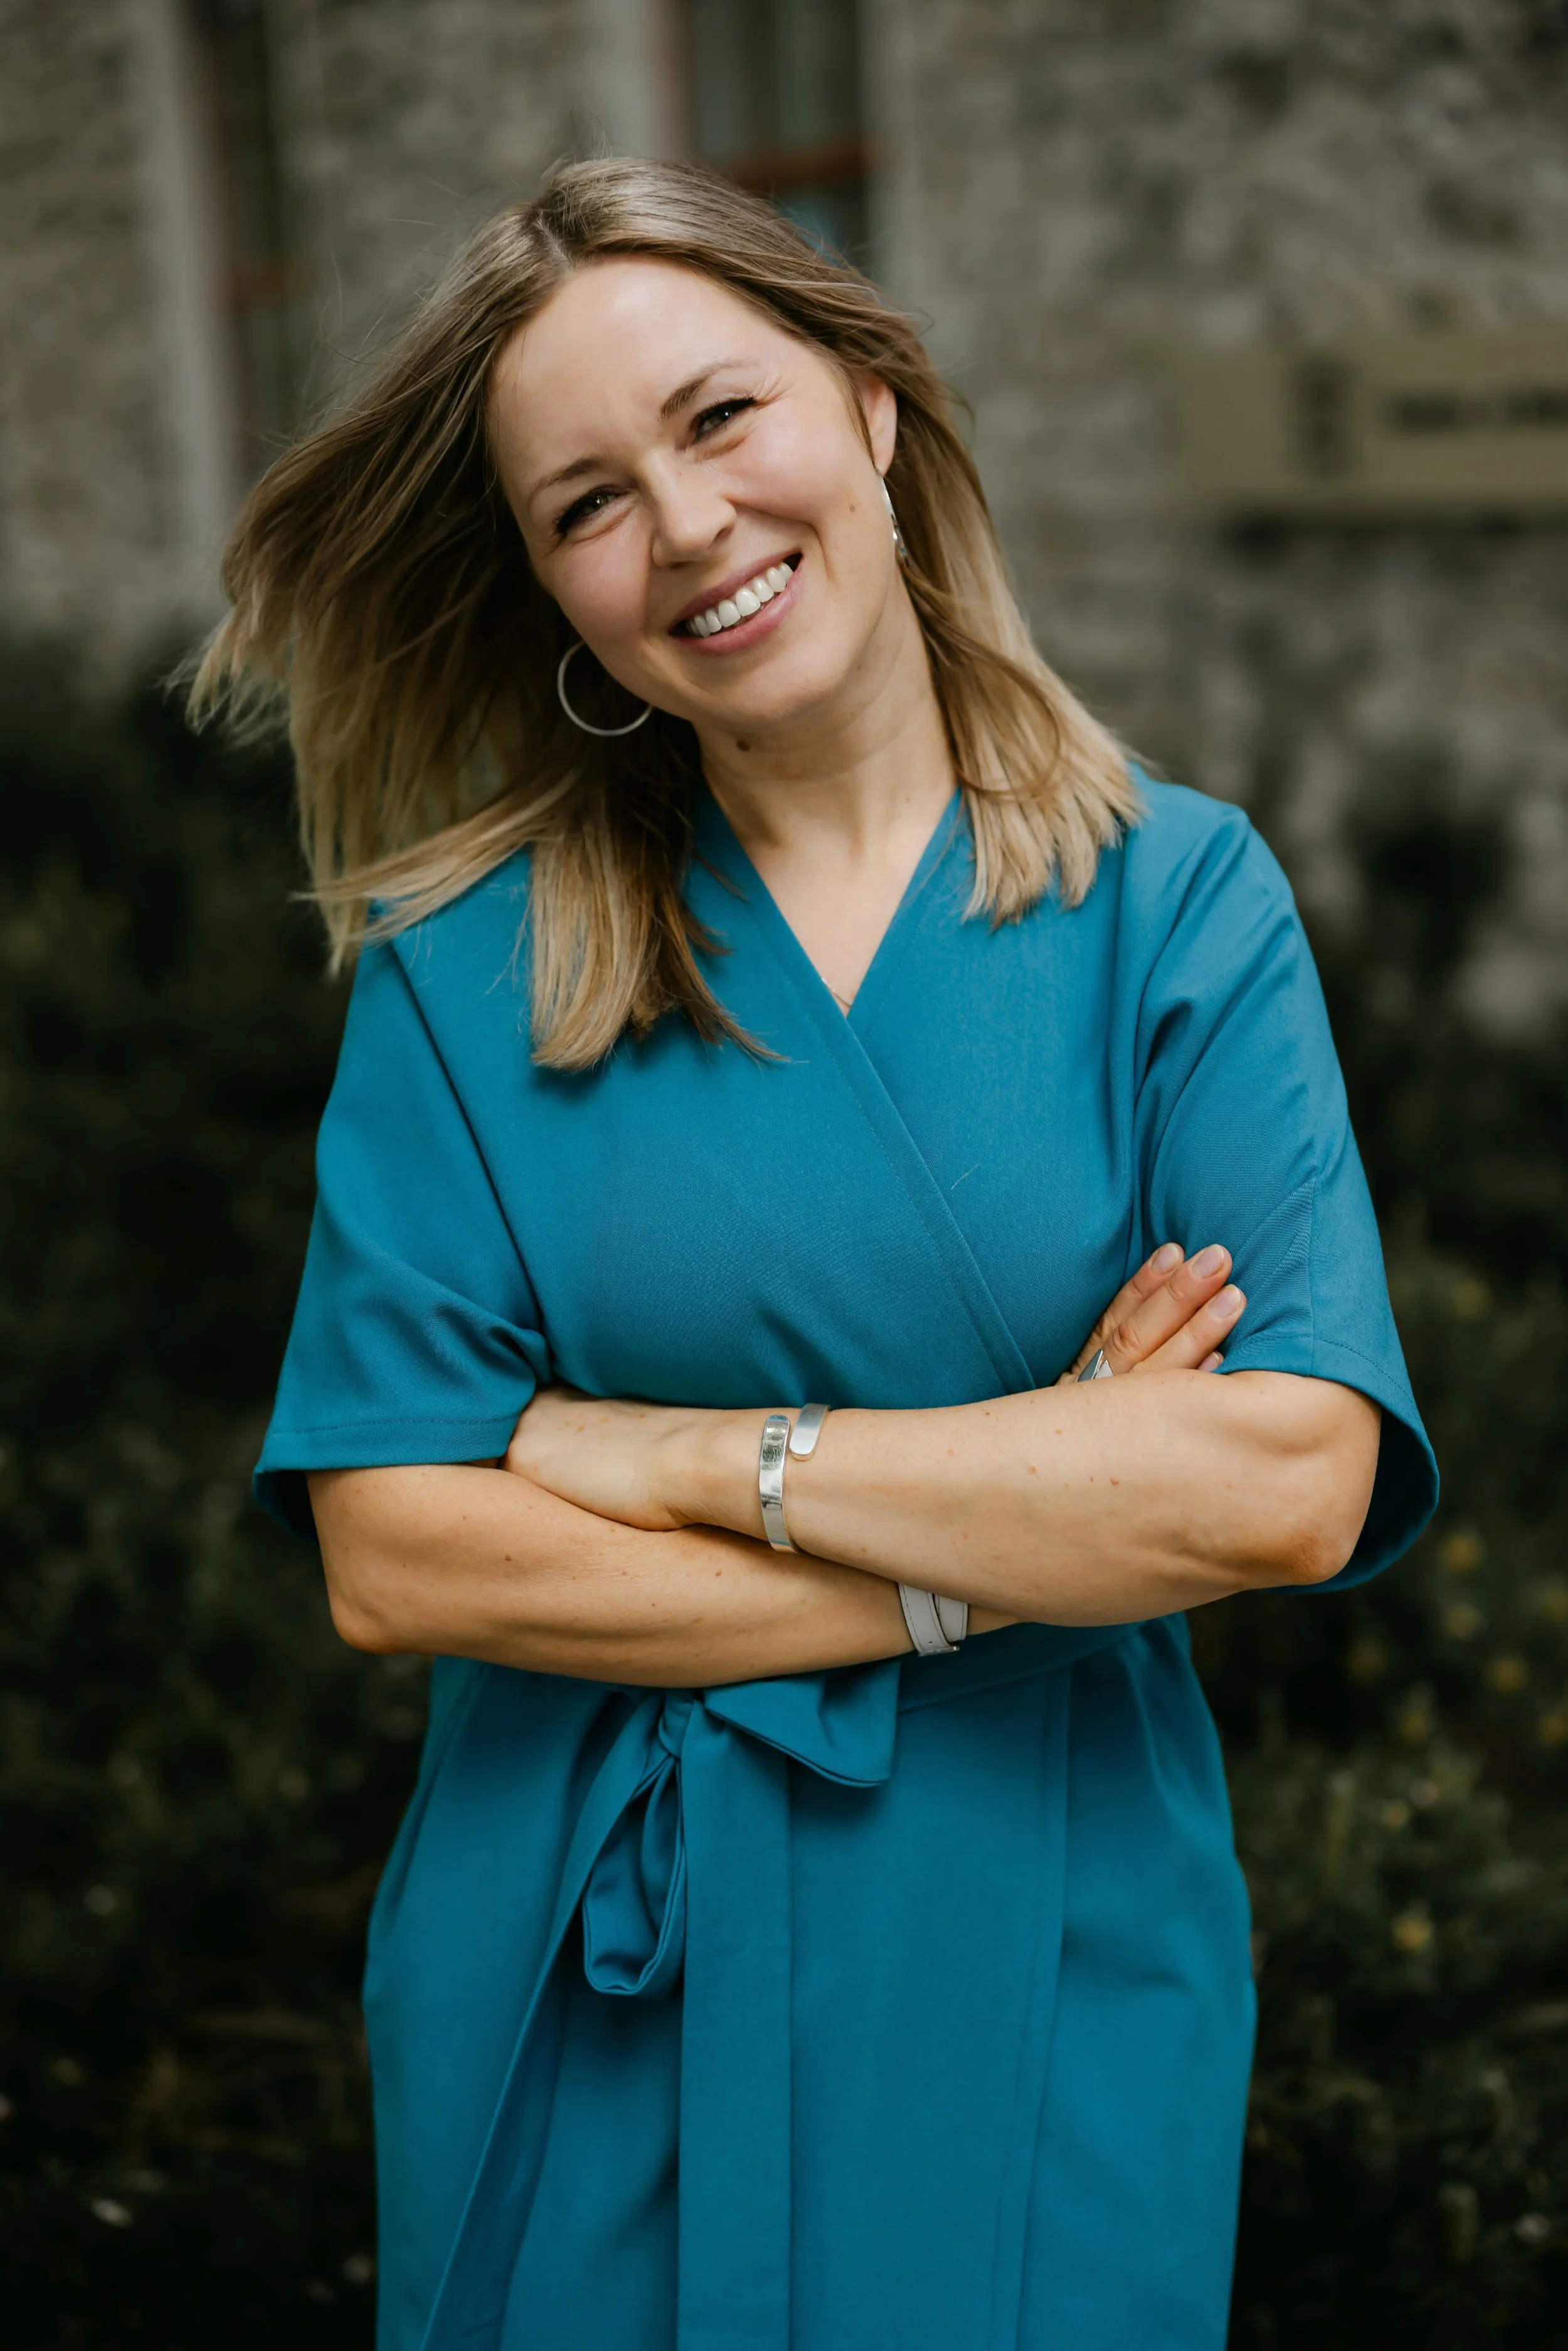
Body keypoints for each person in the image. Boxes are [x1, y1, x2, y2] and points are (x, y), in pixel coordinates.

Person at [196, 158, 1436, 2351]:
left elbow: (1283, 1480)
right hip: (586, 1945)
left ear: (869, 401)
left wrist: (690, 1458)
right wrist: (1005, 1539)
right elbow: (401, 1547)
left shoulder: (1178, 906)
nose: (684, 527)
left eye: (718, 416)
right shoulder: (460, 974)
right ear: (552, 585)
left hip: (1049, 1933)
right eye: (586, 503)